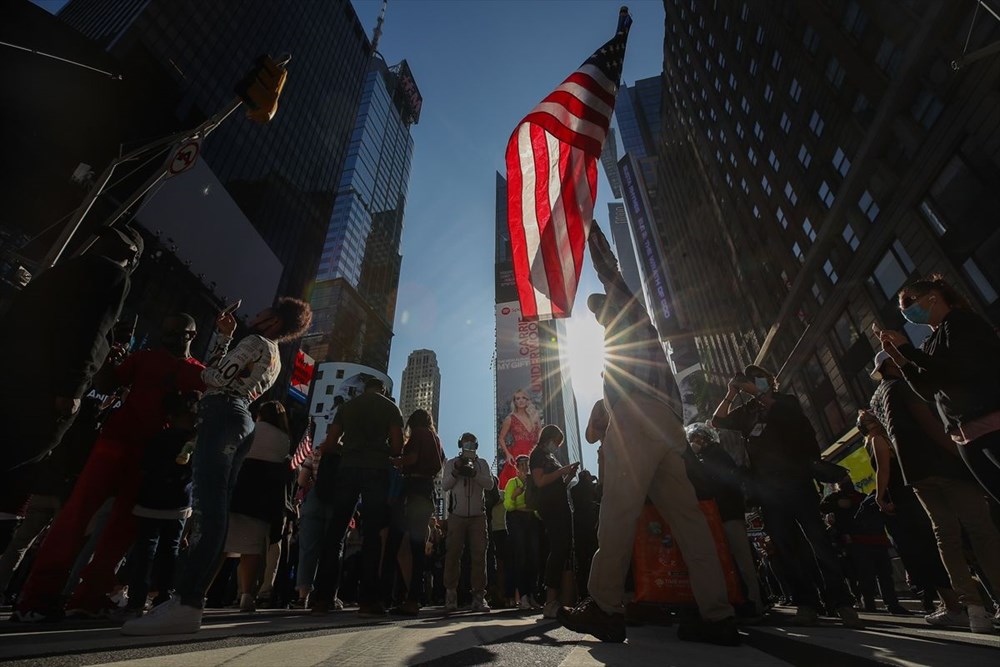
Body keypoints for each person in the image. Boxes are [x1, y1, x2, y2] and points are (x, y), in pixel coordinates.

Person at [557, 221, 738, 646]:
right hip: (667, 426)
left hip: (639, 421)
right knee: (689, 520)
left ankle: (603, 607)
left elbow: (610, 273)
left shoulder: (628, 313)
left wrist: (587, 227)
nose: (598, 312)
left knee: (618, 511)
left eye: (599, 307)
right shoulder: (627, 342)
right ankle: (718, 615)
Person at [122, 297, 312, 636]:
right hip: (240, 419)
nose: (257, 312)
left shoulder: (254, 342)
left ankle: (186, 601)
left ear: (275, 321)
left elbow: (214, 378)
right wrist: (225, 339)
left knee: (208, 510)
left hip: (222, 413)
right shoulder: (275, 358)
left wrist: (208, 355)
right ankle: (186, 599)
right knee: (216, 507)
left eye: (265, 311)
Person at [13, 313, 206, 622]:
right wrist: (108, 360)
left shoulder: (198, 373)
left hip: (149, 457)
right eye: (166, 331)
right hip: (117, 443)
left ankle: (88, 599)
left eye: (177, 333)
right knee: (76, 516)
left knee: (121, 529)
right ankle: (36, 598)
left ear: (191, 336)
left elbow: (199, 419)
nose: (169, 338)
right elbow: (109, 383)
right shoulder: (144, 358)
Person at [712, 364, 862, 629]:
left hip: (798, 483)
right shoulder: (748, 412)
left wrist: (757, 392)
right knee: (786, 547)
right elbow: (718, 420)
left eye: (759, 379)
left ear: (769, 382)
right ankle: (806, 603)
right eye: (751, 380)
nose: (754, 383)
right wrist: (731, 393)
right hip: (768, 490)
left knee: (819, 541)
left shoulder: (784, 402)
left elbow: (787, 416)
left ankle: (842, 601)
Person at [865, 355, 1000, 634]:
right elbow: (929, 424)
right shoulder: (902, 386)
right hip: (944, 466)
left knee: (945, 537)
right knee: (980, 530)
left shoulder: (877, 399)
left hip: (916, 475)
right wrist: (962, 457)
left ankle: (973, 610)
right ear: (890, 365)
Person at [0, 225, 140, 480]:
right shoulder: (114, 274)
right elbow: (91, 330)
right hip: (45, 387)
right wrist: (72, 390)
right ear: (131, 258)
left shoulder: (66, 269)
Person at [876, 274, 1000, 503]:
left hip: (991, 422)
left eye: (909, 303)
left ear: (932, 298)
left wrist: (910, 352)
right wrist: (902, 360)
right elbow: (928, 391)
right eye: (903, 308)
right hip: (964, 435)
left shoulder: (960, 322)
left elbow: (959, 370)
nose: (906, 312)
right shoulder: (928, 342)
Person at [309, 376, 404, 617]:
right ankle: (368, 601)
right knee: (372, 534)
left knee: (336, 531)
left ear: (363, 388)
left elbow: (330, 443)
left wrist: (348, 449)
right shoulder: (390, 408)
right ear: (382, 389)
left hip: (347, 469)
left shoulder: (347, 407)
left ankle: (322, 598)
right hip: (377, 471)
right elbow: (396, 447)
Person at [118, 390, 201, 619]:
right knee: (170, 552)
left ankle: (136, 601)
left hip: (150, 499)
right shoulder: (195, 443)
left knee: (145, 551)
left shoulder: (159, 437)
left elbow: (144, 465)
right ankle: (163, 598)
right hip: (179, 504)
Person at [684, 422, 763, 618]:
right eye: (693, 439)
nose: (696, 442)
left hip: (728, 513)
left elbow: (711, 478)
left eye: (698, 438)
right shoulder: (707, 456)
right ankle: (739, 599)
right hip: (718, 513)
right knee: (728, 559)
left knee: (741, 558)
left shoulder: (716, 454)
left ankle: (754, 602)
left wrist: (692, 457)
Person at [225, 401, 293, 613]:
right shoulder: (284, 439)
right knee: (252, 549)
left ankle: (197, 594)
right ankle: (247, 595)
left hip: (239, 488)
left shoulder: (251, 429)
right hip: (264, 497)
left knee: (221, 544)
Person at [383, 409, 444, 616]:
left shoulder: (418, 433)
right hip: (427, 493)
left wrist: (395, 462)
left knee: (394, 542)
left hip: (412, 490)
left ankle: (385, 596)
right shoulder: (435, 438)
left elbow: (412, 458)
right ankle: (413, 598)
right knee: (416, 548)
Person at [819, 476, 906, 615]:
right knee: (866, 575)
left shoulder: (862, 497)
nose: (846, 483)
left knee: (884, 575)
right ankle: (870, 603)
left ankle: (892, 604)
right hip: (856, 541)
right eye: (843, 481)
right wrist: (836, 505)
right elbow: (823, 508)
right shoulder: (835, 498)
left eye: (848, 480)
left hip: (875, 538)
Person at [441, 432, 494, 613]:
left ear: (476, 445)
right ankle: (450, 594)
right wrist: (457, 472)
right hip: (457, 515)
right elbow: (445, 485)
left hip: (478, 516)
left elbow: (489, 484)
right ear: (460, 445)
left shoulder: (482, 464)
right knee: (453, 554)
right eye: (465, 443)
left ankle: (479, 596)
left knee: (479, 555)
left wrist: (474, 474)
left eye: (471, 443)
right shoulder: (451, 463)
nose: (468, 446)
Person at [530, 424, 577, 619]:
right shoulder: (538, 455)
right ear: (547, 438)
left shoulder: (550, 457)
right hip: (550, 508)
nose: (556, 446)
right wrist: (562, 471)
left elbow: (558, 486)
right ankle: (550, 600)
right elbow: (540, 481)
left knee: (563, 548)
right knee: (557, 548)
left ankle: (557, 598)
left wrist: (568, 477)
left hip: (561, 505)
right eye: (555, 442)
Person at [503, 455, 540, 610]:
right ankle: (523, 595)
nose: (525, 467)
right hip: (517, 520)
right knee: (521, 556)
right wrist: (514, 495)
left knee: (534, 557)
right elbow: (508, 505)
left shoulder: (534, 483)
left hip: (531, 520)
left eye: (527, 464)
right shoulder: (512, 483)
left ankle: (532, 595)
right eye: (522, 464)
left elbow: (537, 507)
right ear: (517, 467)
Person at [497, 390, 542, 490]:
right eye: (518, 398)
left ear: (527, 400)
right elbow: (501, 438)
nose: (521, 400)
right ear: (515, 402)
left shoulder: (535, 417)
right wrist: (508, 454)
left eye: (523, 398)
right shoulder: (510, 418)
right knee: (516, 482)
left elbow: (540, 435)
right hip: (518, 453)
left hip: (534, 451)